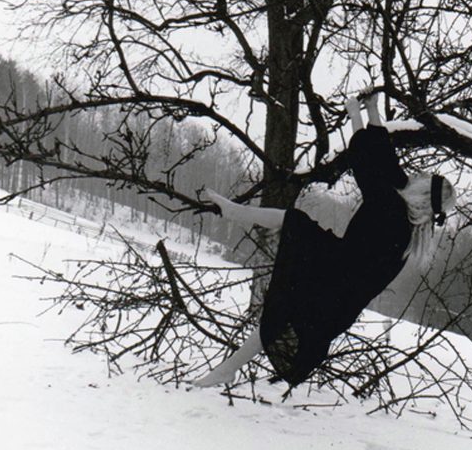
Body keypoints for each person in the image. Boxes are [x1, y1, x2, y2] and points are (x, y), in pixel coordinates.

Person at [193, 93, 456, 388]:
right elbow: (386, 161)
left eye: (422, 178)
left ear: (420, 191)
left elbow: (366, 164)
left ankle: (234, 211)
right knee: (281, 312)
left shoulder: (391, 208)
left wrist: (356, 114)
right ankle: (226, 370)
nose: (416, 176)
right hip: (344, 291)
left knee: (293, 226)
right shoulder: (408, 225)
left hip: (336, 273)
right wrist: (369, 111)